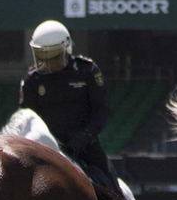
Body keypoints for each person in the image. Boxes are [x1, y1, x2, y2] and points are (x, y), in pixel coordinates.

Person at [19, 20, 114, 187]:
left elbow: (101, 109)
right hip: (48, 148)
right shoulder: (32, 81)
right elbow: (26, 117)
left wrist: (86, 135)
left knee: (111, 186)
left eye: (54, 56)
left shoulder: (87, 71)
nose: (48, 62)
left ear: (66, 48)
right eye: (43, 56)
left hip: (85, 146)